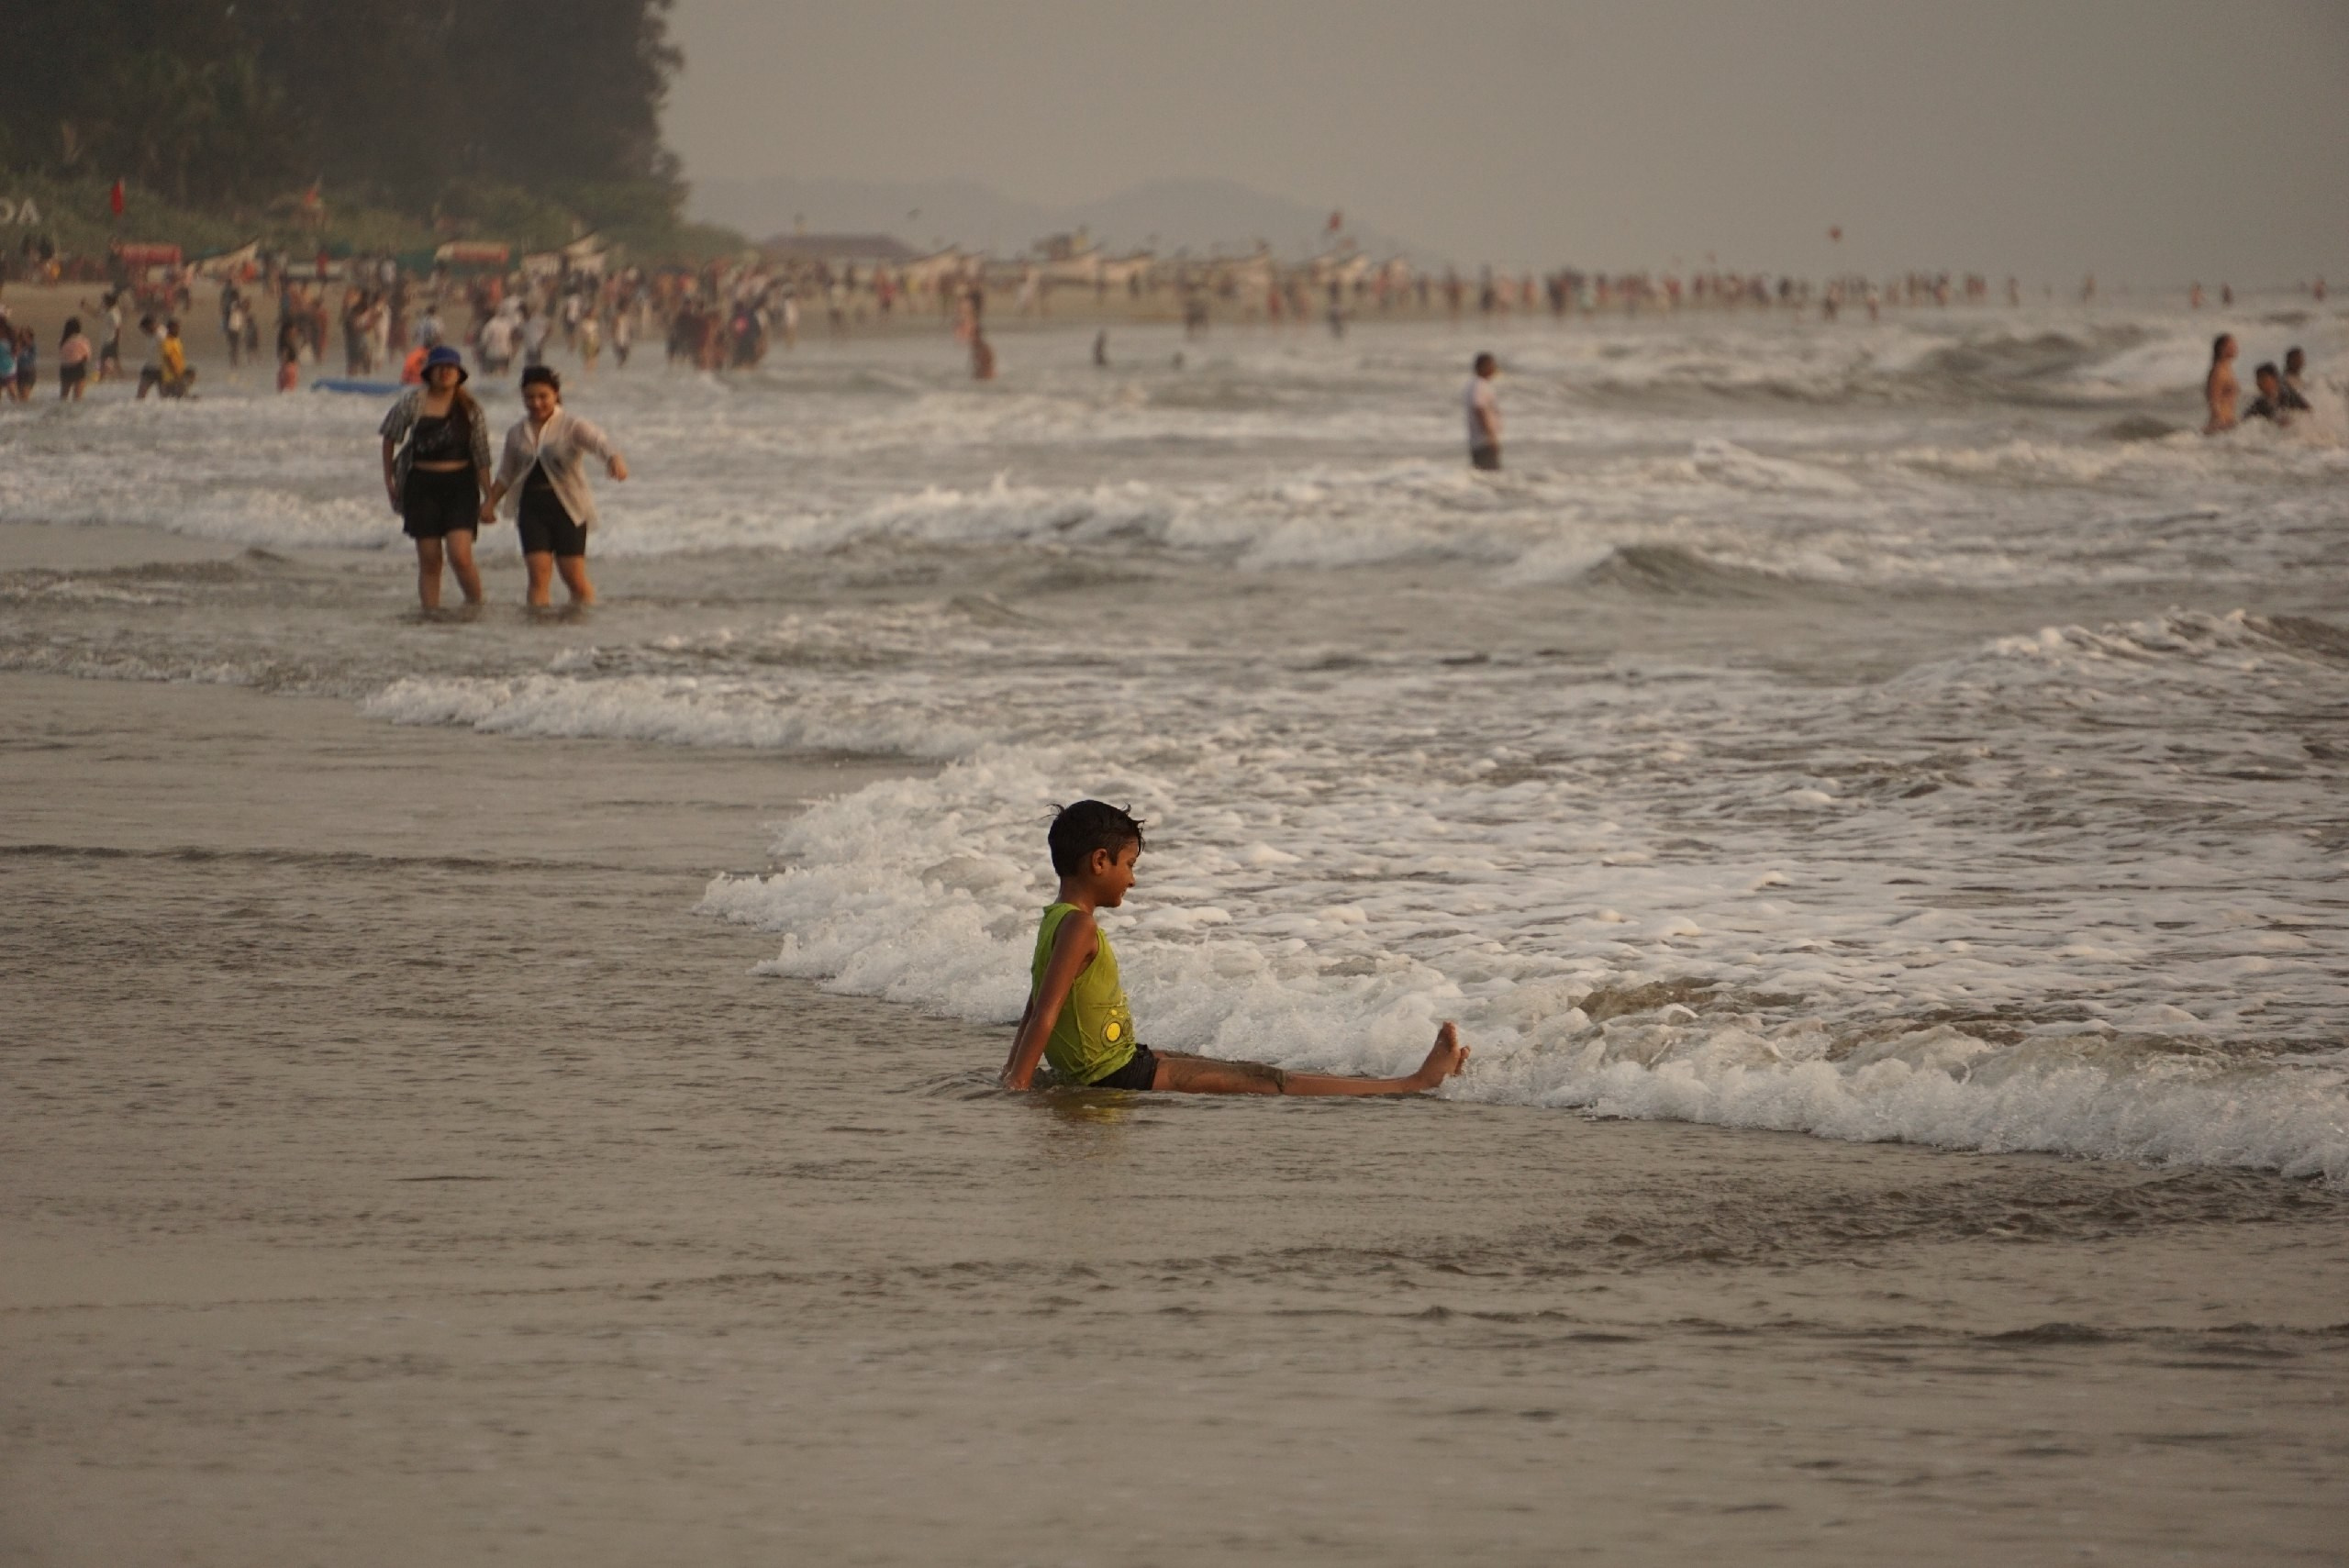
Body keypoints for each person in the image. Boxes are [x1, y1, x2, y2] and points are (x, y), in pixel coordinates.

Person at [1001, 801, 1470, 1095]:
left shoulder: (1055, 921)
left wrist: (1009, 1072)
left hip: (1119, 1063)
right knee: (1267, 1082)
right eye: (1128, 864)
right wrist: (1017, 1086)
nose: (1133, 877)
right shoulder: (1080, 927)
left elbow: (1035, 1007)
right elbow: (1043, 1014)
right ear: (1099, 861)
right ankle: (1412, 1083)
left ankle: (1408, 1081)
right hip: (1113, 1074)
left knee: (1224, 1067)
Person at [482, 365, 627, 608]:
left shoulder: (572, 425)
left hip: (568, 508)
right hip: (532, 509)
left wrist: (614, 459)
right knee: (537, 577)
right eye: (529, 397)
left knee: (574, 578)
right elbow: (507, 474)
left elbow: (600, 442)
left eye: (543, 397)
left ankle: (581, 628)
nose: (536, 403)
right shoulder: (517, 433)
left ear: (555, 394)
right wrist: (489, 504)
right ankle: (539, 631)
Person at [379, 344, 494, 609]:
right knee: (430, 559)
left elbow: (481, 454)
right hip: (422, 486)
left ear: (459, 373)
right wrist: (389, 479)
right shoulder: (412, 402)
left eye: (450, 368)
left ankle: (476, 607)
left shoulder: (471, 408)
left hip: (460, 487)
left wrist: (489, 496)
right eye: (439, 368)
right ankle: (430, 615)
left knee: (460, 556)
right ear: (428, 372)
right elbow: (389, 436)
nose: (445, 373)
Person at [1464, 351, 1501, 470]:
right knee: (1490, 474)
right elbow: (1479, 409)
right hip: (1483, 441)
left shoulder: (1477, 385)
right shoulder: (1479, 386)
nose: (1494, 368)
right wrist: (1490, 436)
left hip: (1479, 440)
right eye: (1491, 365)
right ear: (1483, 367)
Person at [2203, 334, 2238, 434]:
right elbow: (2213, 399)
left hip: (2228, 421)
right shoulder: (2218, 371)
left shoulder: (2228, 369)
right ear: (2222, 349)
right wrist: (2219, 420)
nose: (2235, 348)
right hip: (2220, 423)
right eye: (2232, 345)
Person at [2243, 362, 2292, 427]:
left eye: (2263, 379)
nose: (2259, 383)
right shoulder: (2259, 404)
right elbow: (2245, 420)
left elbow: (2306, 413)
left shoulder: (2289, 396)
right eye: (2258, 380)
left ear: (2275, 379)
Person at [57, 317, 92, 401]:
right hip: (78, 367)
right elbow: (87, 355)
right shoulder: (82, 340)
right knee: (78, 397)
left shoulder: (62, 340)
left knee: (63, 397)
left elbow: (61, 354)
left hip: (65, 368)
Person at [156, 319, 193, 398]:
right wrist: (175, 372)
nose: (178, 330)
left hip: (179, 372)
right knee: (177, 397)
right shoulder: (167, 342)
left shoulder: (176, 340)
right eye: (175, 328)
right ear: (169, 329)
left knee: (181, 397)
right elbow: (168, 358)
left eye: (178, 328)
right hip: (170, 376)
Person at [2280, 348, 2310, 412]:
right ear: (2289, 361)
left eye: (2301, 359)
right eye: (2297, 359)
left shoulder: (2297, 378)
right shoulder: (2285, 380)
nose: (2301, 362)